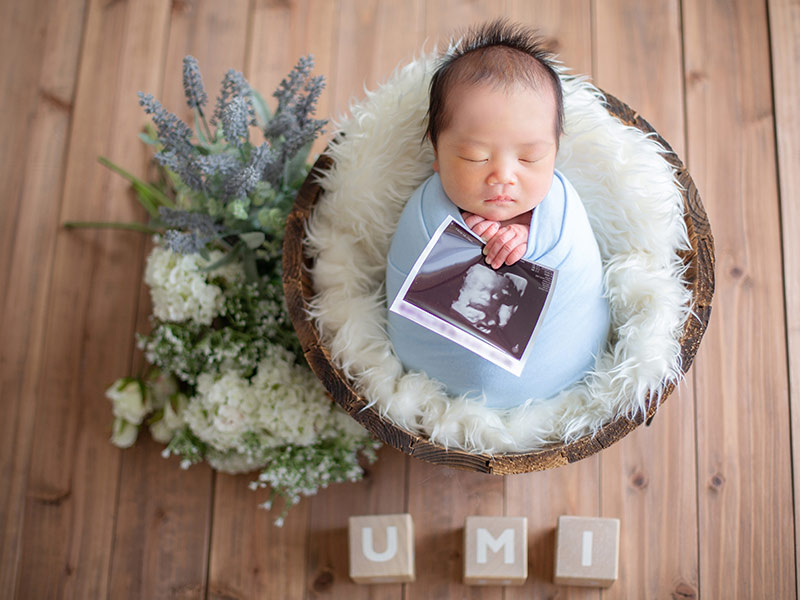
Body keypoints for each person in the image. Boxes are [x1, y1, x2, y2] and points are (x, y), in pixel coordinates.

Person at [385, 20, 610, 408]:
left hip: (562, 376)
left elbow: (571, 263)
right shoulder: (424, 213)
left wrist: (529, 239)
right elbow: (414, 263)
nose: (502, 176)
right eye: (476, 157)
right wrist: (458, 233)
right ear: (436, 154)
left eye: (530, 157)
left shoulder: (560, 210)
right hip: (434, 390)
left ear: (555, 152)